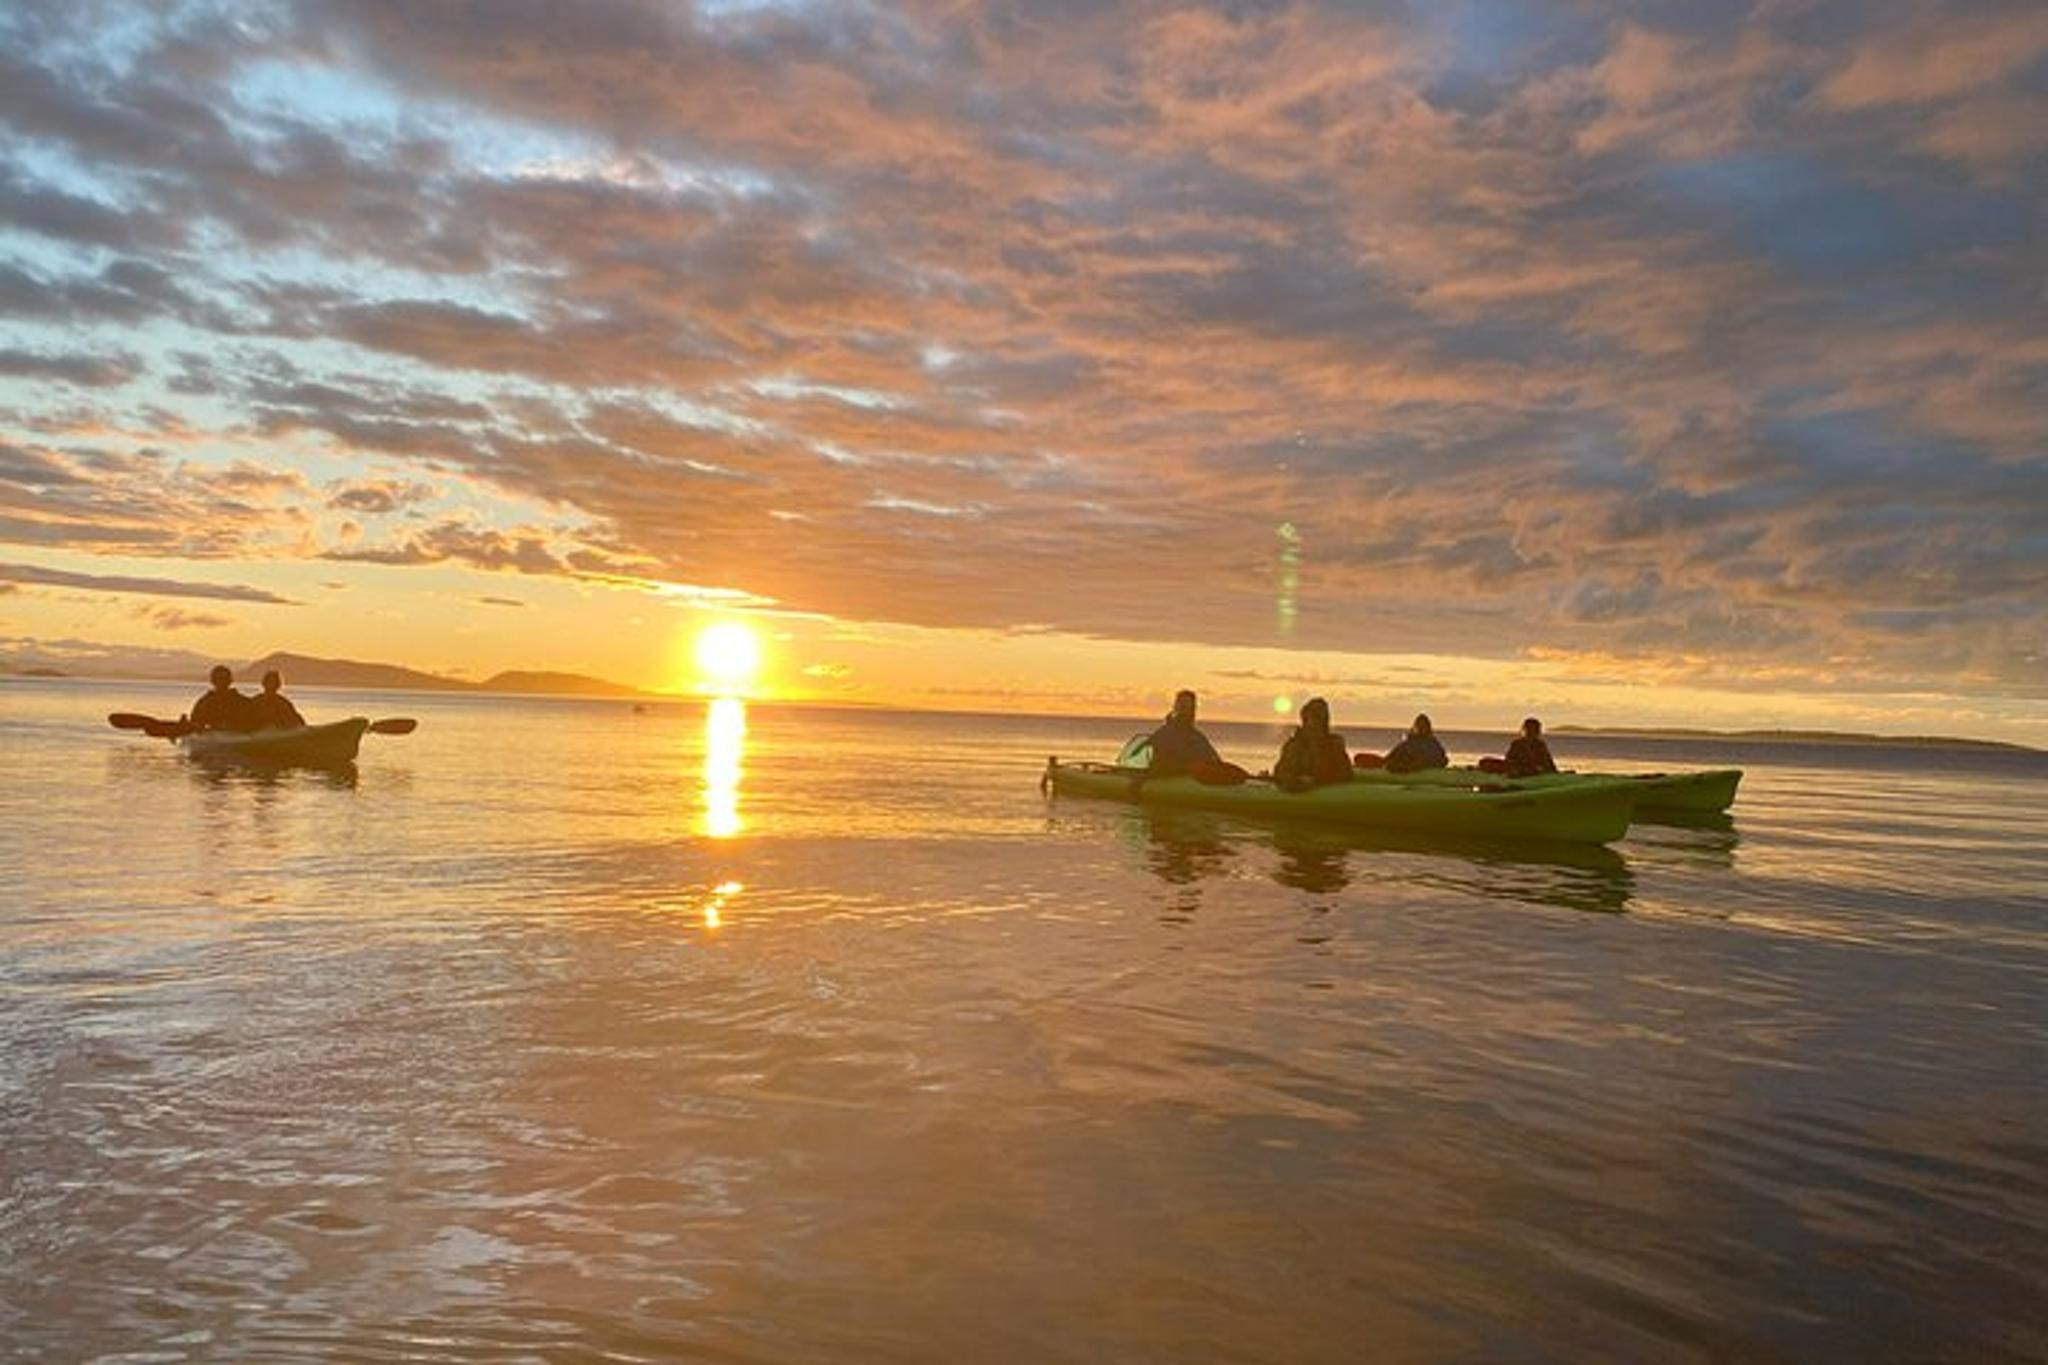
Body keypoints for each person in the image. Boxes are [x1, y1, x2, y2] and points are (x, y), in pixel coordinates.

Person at [1273, 697, 1352, 789]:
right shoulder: (1295, 746)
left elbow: (1346, 775)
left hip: (1328, 793)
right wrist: (1298, 781)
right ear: (1305, 720)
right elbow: (1281, 773)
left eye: (1323, 719)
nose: (1319, 723)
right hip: (1301, 793)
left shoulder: (1334, 744)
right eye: (1315, 717)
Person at [1143, 689, 1223, 777]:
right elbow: (1159, 767)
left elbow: (1214, 759)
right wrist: (1187, 768)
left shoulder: (1198, 737)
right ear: (1175, 707)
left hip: (1197, 780)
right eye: (1183, 706)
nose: (1186, 711)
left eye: (1190, 707)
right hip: (1171, 780)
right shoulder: (1164, 734)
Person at [187, 664, 255, 733]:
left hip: (237, 735)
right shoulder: (204, 702)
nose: (221, 682)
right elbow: (195, 722)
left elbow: (252, 722)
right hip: (214, 737)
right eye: (218, 679)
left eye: (224, 679)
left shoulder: (242, 701)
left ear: (230, 680)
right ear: (213, 681)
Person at [1383, 713, 1448, 774]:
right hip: (1411, 766)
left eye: (1423, 726)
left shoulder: (1432, 742)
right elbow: (1395, 753)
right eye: (1420, 726)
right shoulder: (1410, 741)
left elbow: (1443, 759)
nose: (1421, 728)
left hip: (1418, 767)